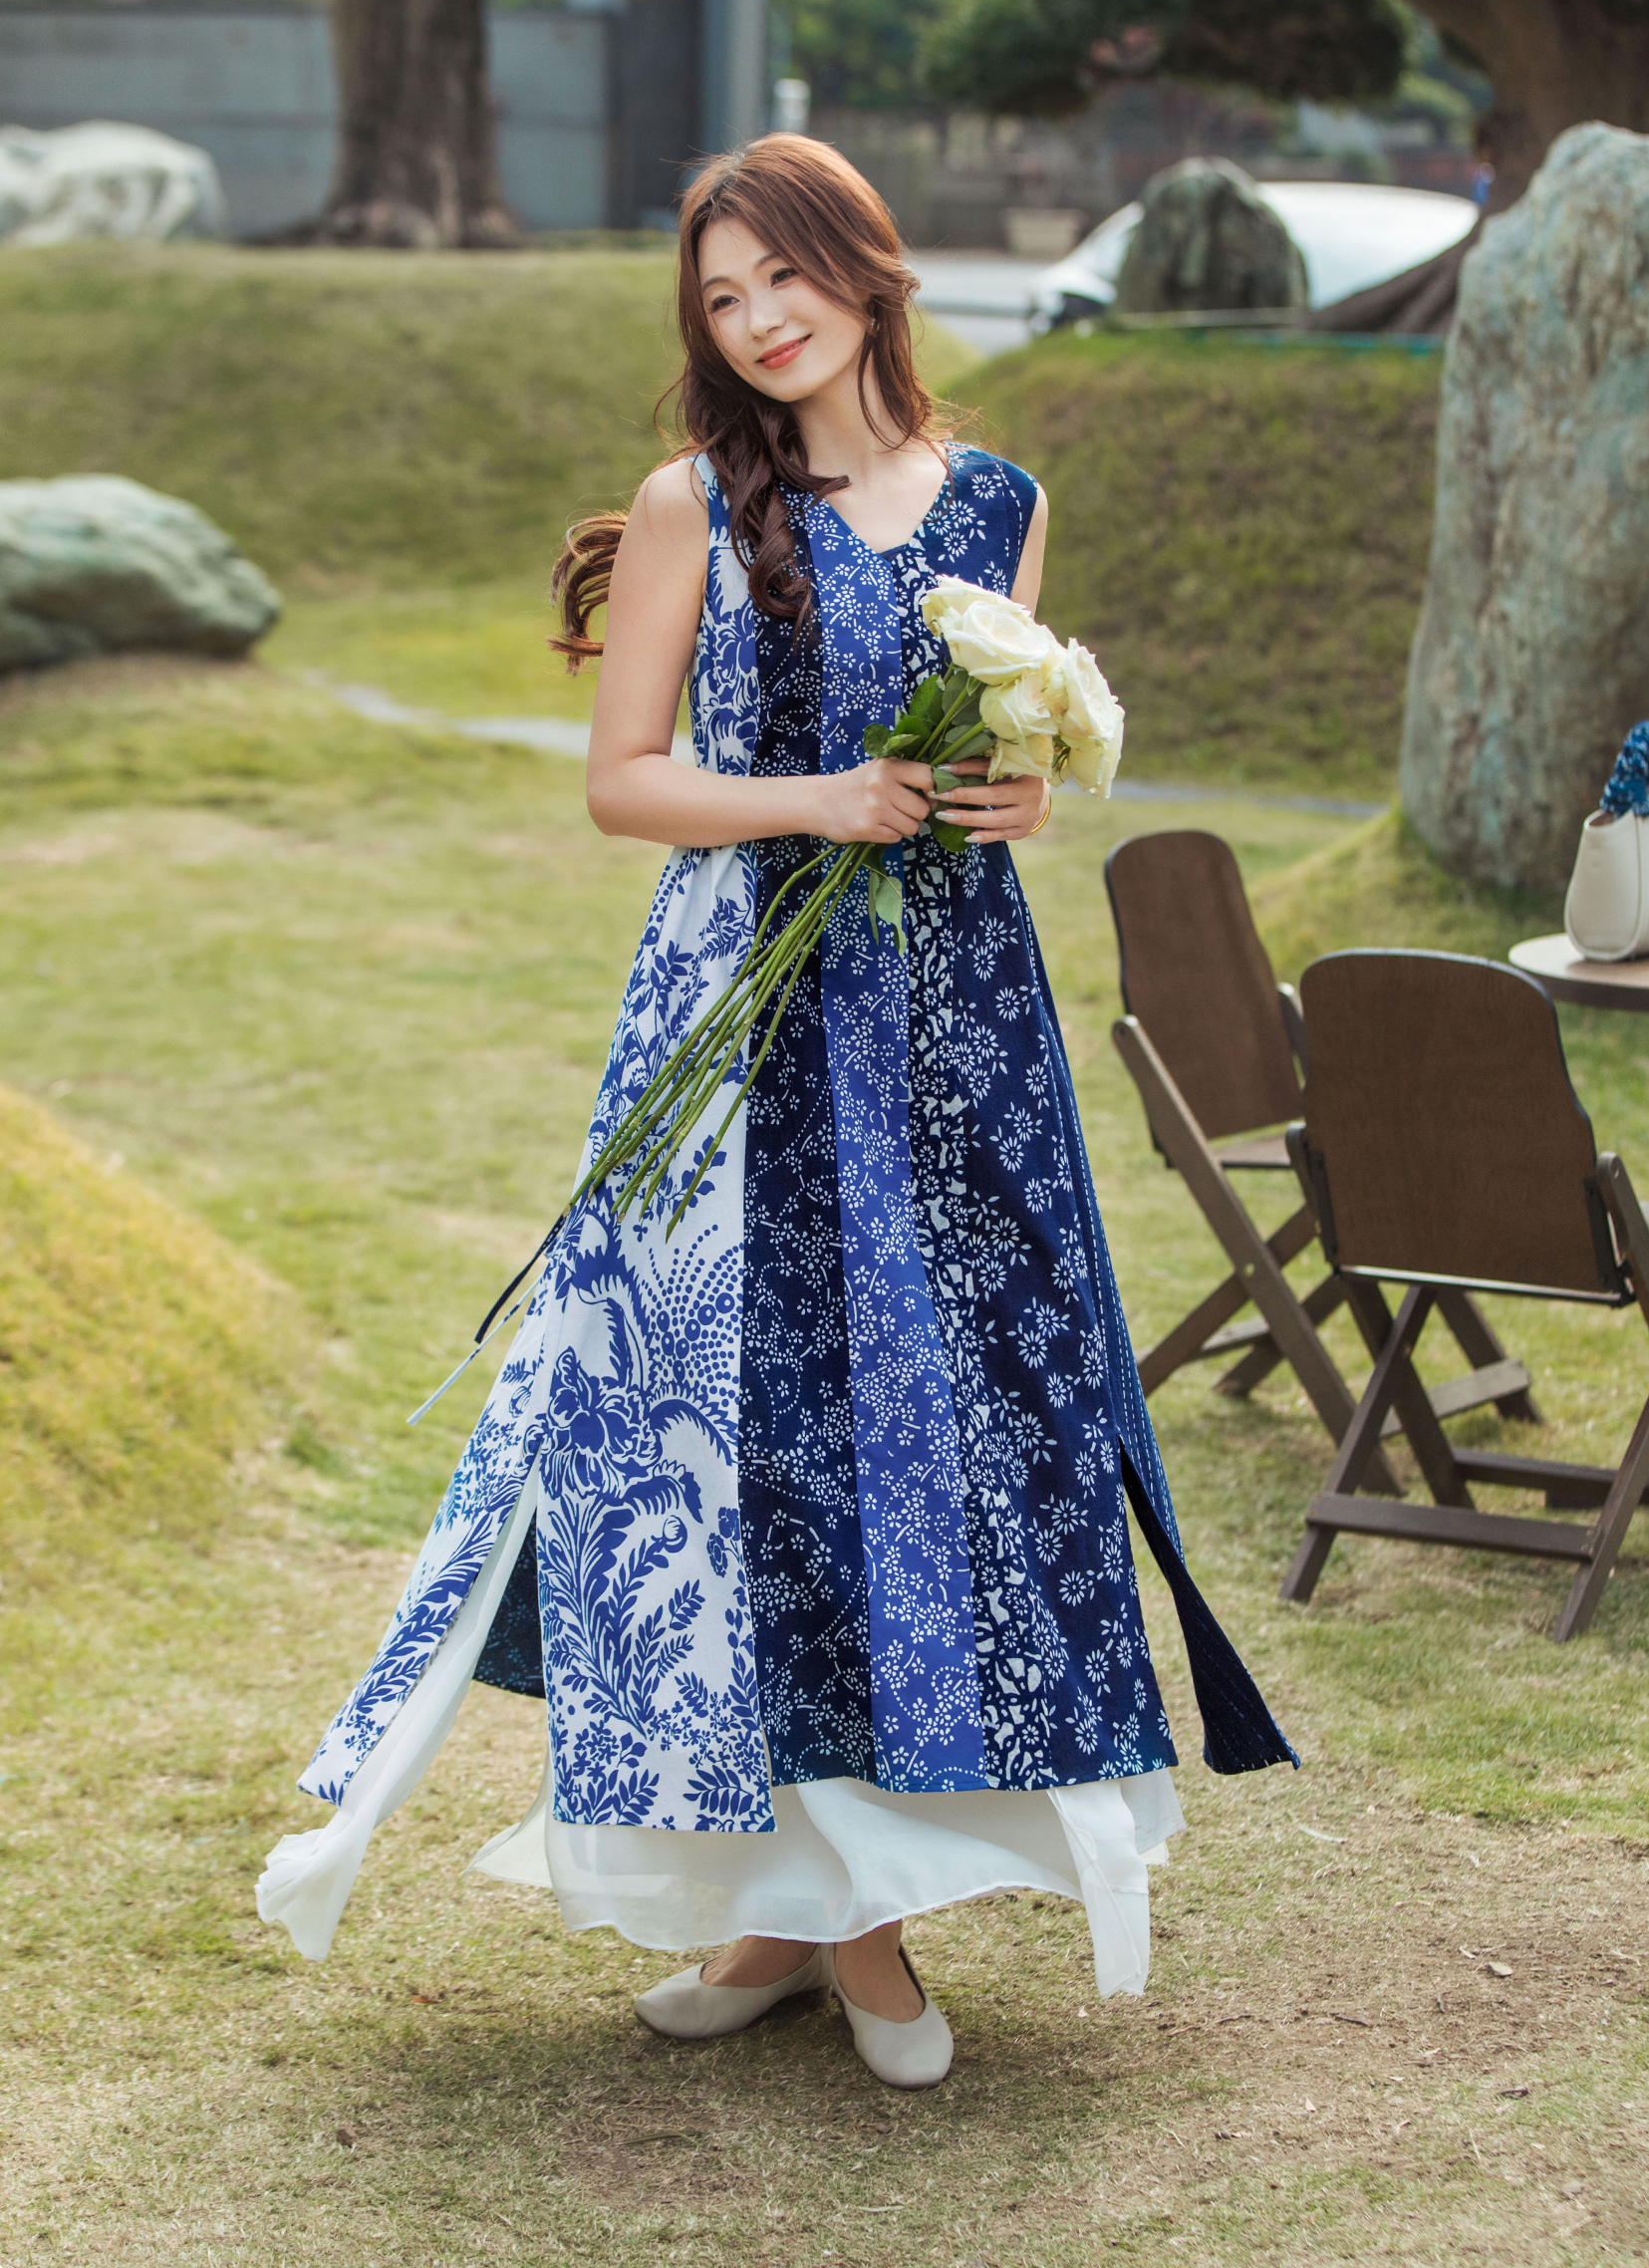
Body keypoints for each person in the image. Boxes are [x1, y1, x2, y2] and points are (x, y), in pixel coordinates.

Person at [257, 133, 1293, 2091]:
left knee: (932, 1438)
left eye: (781, 279)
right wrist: (819, 802)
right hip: (739, 1022)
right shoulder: (693, 505)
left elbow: (1001, 751)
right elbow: (624, 780)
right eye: (721, 301)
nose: (756, 323)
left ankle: (820, 1917)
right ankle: (835, 1926)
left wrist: (1016, 797)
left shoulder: (1000, 499)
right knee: (745, 1449)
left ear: (863, 267)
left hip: (947, 1027)